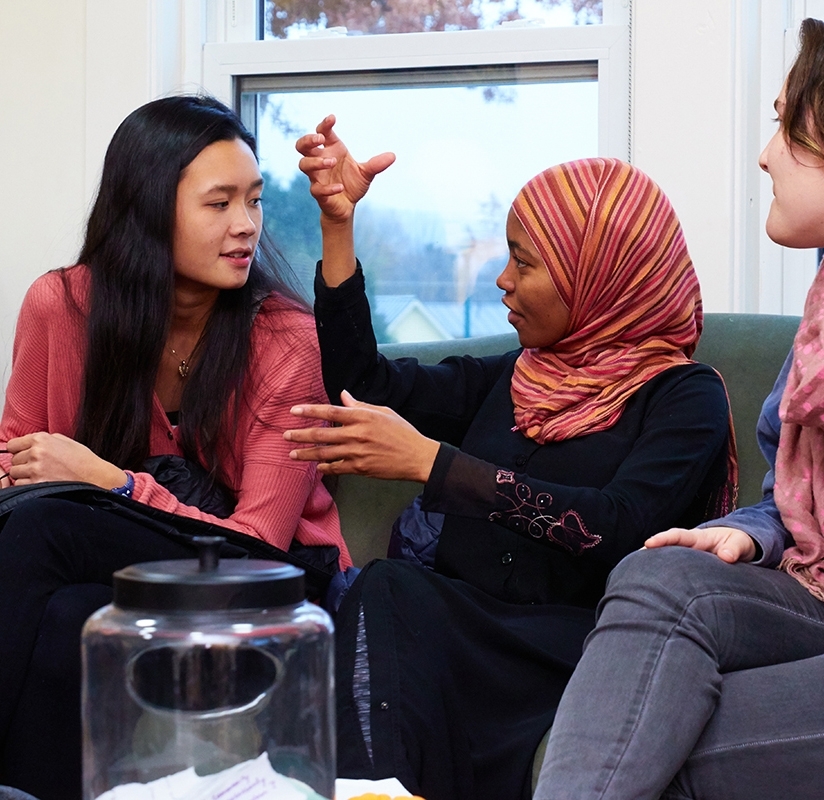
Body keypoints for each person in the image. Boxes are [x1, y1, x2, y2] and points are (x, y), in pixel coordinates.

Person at [533, 7, 824, 799]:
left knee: (674, 749)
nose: (764, 154)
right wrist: (749, 534)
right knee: (655, 576)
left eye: (783, 126)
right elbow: (802, 506)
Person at [283, 119, 737, 799]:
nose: (501, 280)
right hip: (457, 628)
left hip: (572, 649)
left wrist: (437, 466)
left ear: (596, 276)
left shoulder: (681, 396)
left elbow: (614, 527)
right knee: (385, 597)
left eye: (524, 262)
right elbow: (364, 386)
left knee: (388, 595)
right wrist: (338, 226)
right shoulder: (516, 375)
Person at [0, 94, 350, 799]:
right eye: (218, 204)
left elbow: (260, 543)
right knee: (68, 616)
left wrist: (109, 482)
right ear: (147, 209)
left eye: (252, 200)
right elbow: (15, 460)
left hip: (265, 581)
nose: (246, 225)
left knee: (44, 522)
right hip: (120, 580)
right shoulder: (62, 307)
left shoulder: (284, 337)